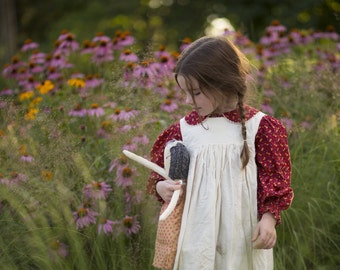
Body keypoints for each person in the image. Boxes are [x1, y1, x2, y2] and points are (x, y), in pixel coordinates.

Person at [146, 36, 294, 270]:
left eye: (195, 92)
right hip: (197, 235)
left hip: (242, 234)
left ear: (222, 83)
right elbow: (161, 172)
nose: (188, 100)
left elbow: (274, 180)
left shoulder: (261, 128)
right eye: (185, 92)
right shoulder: (183, 129)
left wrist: (268, 219)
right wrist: (160, 187)